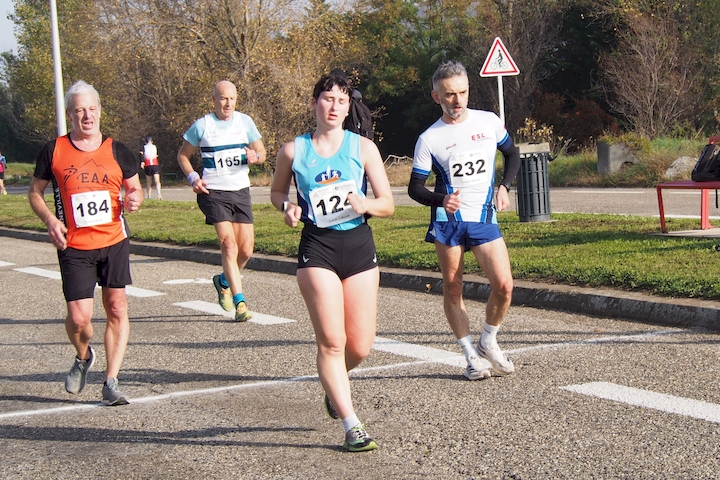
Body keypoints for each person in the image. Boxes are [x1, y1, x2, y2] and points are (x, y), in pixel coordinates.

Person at [270, 74, 394, 452]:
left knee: (360, 346)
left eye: (341, 100)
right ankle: (351, 423)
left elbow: (387, 204)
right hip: (318, 248)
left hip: (358, 246)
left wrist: (366, 204)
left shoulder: (364, 148)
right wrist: (287, 207)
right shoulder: (293, 151)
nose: (335, 106)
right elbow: (277, 192)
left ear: (347, 107)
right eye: (327, 98)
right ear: (314, 104)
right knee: (332, 341)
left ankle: (333, 384)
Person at [27, 80, 144, 405]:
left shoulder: (117, 150)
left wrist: (135, 199)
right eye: (79, 111)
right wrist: (50, 220)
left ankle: (111, 381)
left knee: (117, 307)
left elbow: (135, 189)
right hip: (74, 245)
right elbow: (35, 192)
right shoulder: (54, 151)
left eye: (91, 109)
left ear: (99, 111)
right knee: (80, 319)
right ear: (69, 115)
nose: (86, 116)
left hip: (113, 240)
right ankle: (83, 355)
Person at [408, 60, 521, 381]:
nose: (457, 101)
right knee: (453, 287)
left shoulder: (488, 122)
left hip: (484, 217)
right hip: (448, 221)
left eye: (462, 92)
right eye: (449, 95)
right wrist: (441, 199)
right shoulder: (430, 138)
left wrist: (505, 186)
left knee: (504, 286)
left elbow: (512, 154)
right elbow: (415, 187)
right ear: (436, 97)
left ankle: (488, 339)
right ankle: (470, 355)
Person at [176, 80, 266, 322]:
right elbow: (183, 155)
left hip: (240, 191)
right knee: (229, 245)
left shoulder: (244, 122)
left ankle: (223, 281)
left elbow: (262, 151)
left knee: (246, 250)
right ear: (214, 99)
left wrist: (254, 156)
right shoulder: (202, 125)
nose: (228, 103)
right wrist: (193, 176)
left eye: (232, 99)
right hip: (213, 192)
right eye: (223, 98)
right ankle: (240, 303)